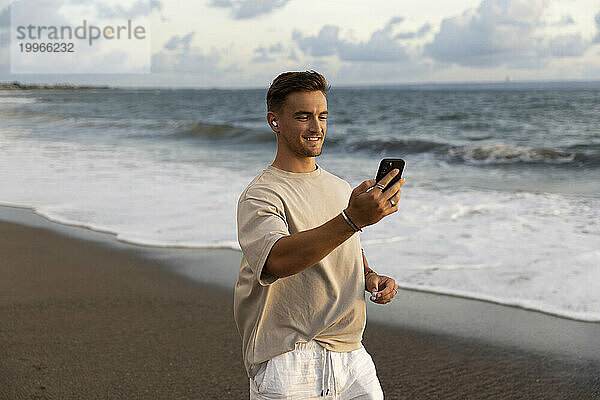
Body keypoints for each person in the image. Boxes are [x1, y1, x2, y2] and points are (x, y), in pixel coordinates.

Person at [234, 70, 405, 399]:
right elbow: (278, 259)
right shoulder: (261, 195)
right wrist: (353, 218)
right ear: (275, 121)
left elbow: (347, 246)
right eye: (303, 117)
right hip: (289, 357)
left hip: (351, 354)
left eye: (322, 116)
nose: (317, 128)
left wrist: (370, 275)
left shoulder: (340, 187)